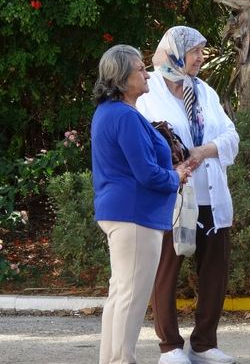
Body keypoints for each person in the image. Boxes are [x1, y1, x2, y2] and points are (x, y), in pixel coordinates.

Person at [136, 26, 240, 364]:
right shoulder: (146, 92)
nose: (200, 57)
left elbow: (231, 136)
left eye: (201, 50)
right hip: (173, 197)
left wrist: (204, 150)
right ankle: (169, 346)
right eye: (194, 50)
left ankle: (204, 343)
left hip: (210, 194)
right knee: (167, 268)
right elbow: (142, 143)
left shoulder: (204, 91)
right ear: (175, 52)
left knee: (215, 270)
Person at [91, 44, 192, 364]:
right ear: (121, 77)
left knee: (121, 295)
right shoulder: (125, 116)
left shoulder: (110, 113)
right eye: (138, 68)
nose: (146, 73)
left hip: (123, 212)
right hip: (134, 215)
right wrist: (175, 176)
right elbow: (147, 174)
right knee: (130, 298)